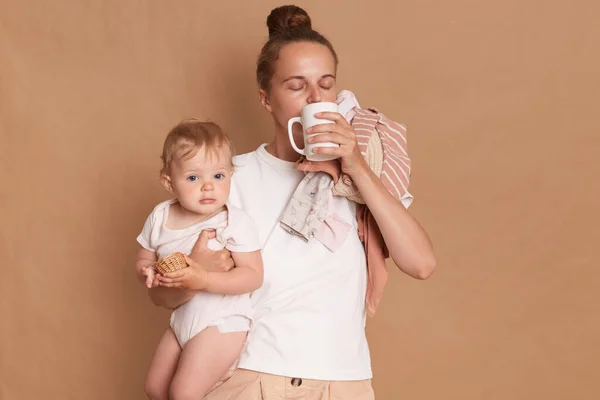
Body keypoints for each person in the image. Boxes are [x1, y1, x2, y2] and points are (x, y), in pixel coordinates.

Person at [151, 5, 436, 399]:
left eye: (326, 84)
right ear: (266, 98)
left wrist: (354, 165)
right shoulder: (227, 180)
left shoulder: (360, 177)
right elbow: (161, 294)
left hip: (345, 382)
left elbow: (421, 264)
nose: (315, 98)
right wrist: (193, 271)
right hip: (252, 378)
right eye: (297, 86)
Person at [135, 119, 264, 400]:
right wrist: (147, 270)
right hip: (182, 319)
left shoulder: (232, 221)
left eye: (218, 176)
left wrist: (205, 278)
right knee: (155, 387)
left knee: (184, 392)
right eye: (193, 178)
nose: (208, 187)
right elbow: (145, 256)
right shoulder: (161, 216)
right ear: (169, 183)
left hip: (222, 321)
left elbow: (253, 274)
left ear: (231, 175)